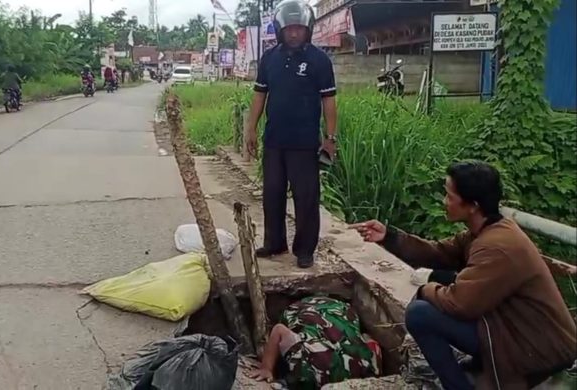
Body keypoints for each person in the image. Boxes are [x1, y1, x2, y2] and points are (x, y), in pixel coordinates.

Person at [349, 161, 577, 390]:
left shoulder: (496, 247)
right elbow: (437, 253)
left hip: (540, 347)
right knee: (428, 303)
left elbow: (459, 304)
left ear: (473, 205)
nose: (444, 202)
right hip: (517, 329)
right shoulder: (486, 231)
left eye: (449, 196)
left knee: (420, 313)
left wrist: (425, 288)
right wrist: (388, 236)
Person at [245, 0, 338, 269]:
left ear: (307, 29)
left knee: (306, 197)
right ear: (280, 30)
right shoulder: (269, 59)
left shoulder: (319, 60)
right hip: (274, 140)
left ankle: (305, 250)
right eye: (289, 29)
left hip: (305, 143)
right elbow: (259, 94)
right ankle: (274, 242)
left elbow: (329, 102)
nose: (294, 34)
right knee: (272, 193)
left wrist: (330, 139)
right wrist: (250, 128)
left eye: (299, 29)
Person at [249, 296, 379, 388]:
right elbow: (278, 330)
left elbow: (372, 345)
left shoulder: (365, 365)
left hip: (344, 312)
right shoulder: (300, 354)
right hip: (303, 308)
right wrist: (266, 368)